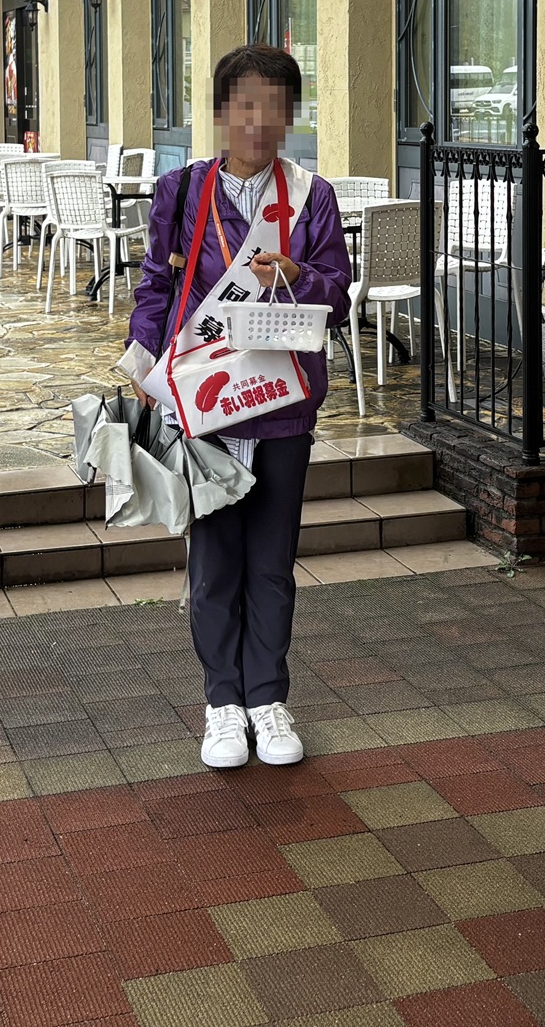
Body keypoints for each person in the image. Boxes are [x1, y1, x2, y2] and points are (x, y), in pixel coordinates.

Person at [116, 45, 351, 769]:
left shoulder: (311, 195)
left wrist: (299, 274)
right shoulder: (182, 191)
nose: (259, 119)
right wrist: (142, 359)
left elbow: (338, 293)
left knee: (272, 562)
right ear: (222, 112)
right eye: (245, 104)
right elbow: (157, 286)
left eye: (275, 105)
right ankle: (222, 701)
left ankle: (267, 700)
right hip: (208, 402)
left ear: (290, 116)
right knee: (215, 560)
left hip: (281, 401)